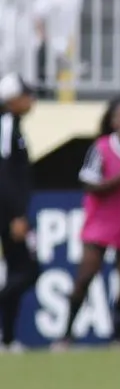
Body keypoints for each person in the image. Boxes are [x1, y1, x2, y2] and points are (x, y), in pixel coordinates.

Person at [54, 96, 120, 349]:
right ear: (111, 121)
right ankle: (66, 333)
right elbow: (90, 185)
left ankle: (118, 336)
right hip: (100, 222)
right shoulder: (100, 148)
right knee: (85, 276)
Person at [0, 72, 37, 352]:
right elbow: (5, 174)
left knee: (20, 270)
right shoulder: (5, 126)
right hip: (9, 214)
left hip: (12, 212)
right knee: (27, 269)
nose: (31, 100)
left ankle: (9, 338)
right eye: (26, 95)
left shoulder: (13, 126)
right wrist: (16, 215)